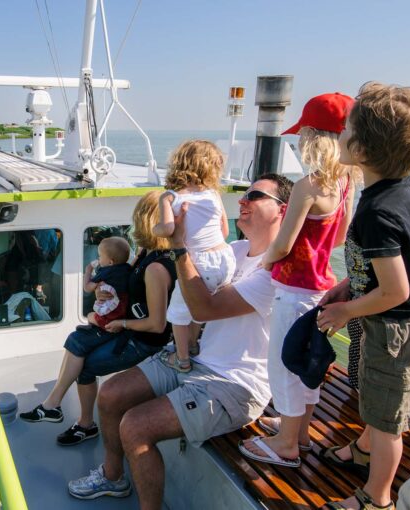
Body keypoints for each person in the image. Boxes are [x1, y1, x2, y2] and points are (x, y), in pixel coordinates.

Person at [67, 174, 292, 507]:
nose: (242, 201)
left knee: (135, 427)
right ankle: (113, 478)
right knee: (111, 394)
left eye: (255, 196)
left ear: (283, 211)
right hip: (195, 357)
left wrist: (179, 246)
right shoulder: (235, 250)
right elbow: (193, 308)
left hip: (233, 382)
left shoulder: (278, 270)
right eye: (243, 196)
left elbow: (204, 306)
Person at [316, 82, 410, 510]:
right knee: (378, 400)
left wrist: (345, 310)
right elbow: (404, 260)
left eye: (347, 125)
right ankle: (363, 450)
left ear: (365, 149)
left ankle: (377, 498)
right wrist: (349, 284)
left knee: (388, 419)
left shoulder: (377, 212)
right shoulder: (405, 187)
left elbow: (395, 289)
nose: (340, 131)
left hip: (398, 324)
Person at [239, 93, 357, 467]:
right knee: (308, 362)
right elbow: (340, 237)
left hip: (293, 290)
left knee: (284, 363)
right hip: (321, 287)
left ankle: (287, 444)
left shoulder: (309, 185)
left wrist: (262, 262)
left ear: (313, 137)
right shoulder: (345, 184)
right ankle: (299, 429)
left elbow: (282, 244)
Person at [19, 191, 177, 447]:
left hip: (143, 339)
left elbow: (157, 325)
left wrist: (121, 323)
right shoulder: (148, 252)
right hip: (129, 330)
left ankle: (79, 421)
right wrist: (108, 289)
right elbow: (128, 279)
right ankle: (57, 406)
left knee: (86, 363)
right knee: (76, 340)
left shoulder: (157, 268)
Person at [152, 140, 234, 371]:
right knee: (201, 306)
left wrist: (156, 229)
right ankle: (193, 344)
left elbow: (168, 229)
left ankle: (182, 359)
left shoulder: (170, 197)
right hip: (225, 259)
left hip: (199, 263)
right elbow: (225, 231)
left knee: (178, 312)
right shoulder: (214, 195)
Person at [83, 236, 132, 328]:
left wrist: (88, 271)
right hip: (123, 312)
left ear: (110, 262)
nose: (98, 258)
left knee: (89, 316)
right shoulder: (127, 268)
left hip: (110, 317)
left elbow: (87, 287)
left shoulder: (105, 272)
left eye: (100, 256)